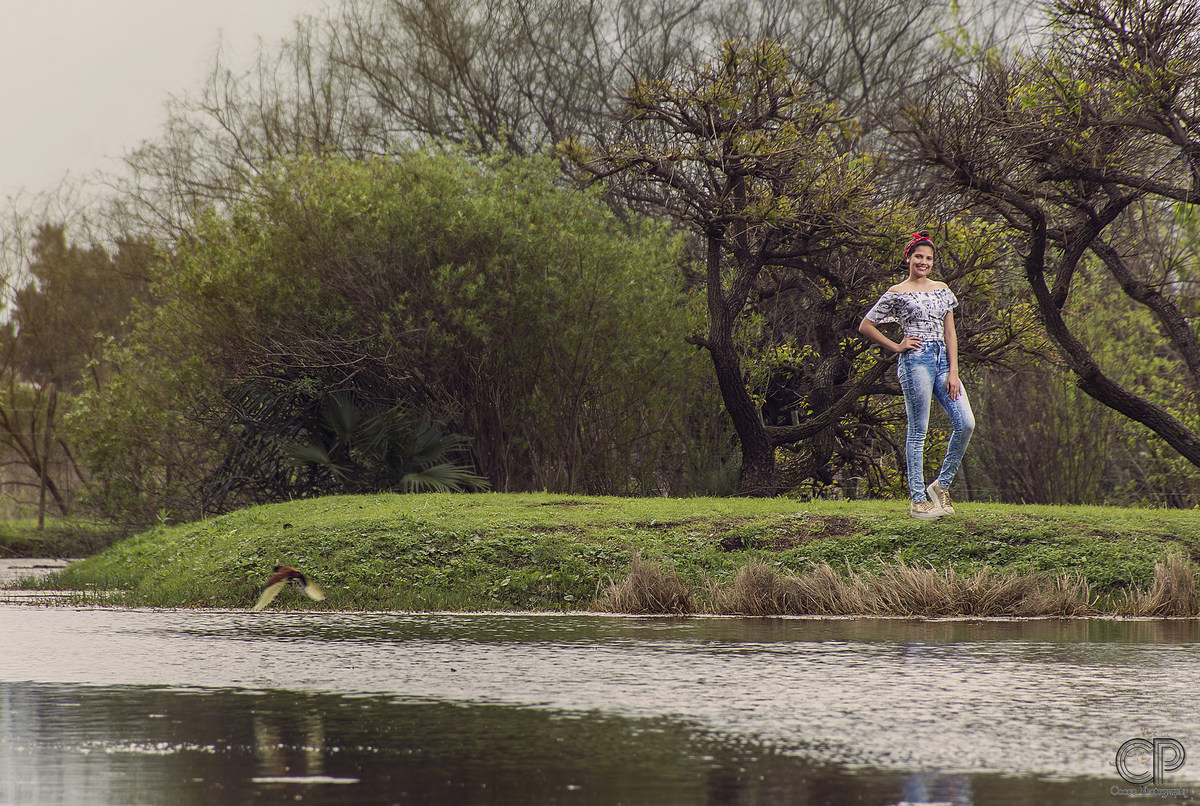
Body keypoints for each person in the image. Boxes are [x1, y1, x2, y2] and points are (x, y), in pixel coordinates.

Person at [858, 231, 975, 520]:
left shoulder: (942, 289)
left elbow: (950, 332)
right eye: (919, 256)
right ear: (909, 258)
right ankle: (917, 501)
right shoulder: (897, 292)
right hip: (915, 362)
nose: (923, 262)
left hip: (943, 363)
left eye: (929, 258)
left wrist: (954, 371)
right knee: (918, 431)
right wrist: (897, 346)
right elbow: (866, 325)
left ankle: (941, 486)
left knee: (966, 423)